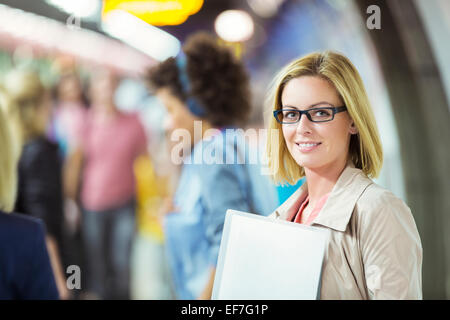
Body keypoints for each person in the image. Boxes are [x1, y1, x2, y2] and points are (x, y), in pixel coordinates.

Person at [266, 51, 423, 299]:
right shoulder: (279, 219)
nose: (302, 128)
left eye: (320, 113)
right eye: (291, 114)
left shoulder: (379, 211)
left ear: (353, 121)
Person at [146, 32, 278, 300]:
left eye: (170, 109)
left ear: (195, 103)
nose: (167, 123)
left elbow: (229, 246)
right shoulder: (226, 144)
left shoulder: (214, 155)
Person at [66, 69, 149, 299]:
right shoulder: (85, 122)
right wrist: (69, 201)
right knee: (97, 264)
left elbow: (146, 162)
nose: (106, 89)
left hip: (125, 201)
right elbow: (75, 164)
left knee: (122, 262)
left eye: (111, 83)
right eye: (101, 83)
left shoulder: (133, 121)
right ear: (92, 90)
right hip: (92, 203)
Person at [1, 69, 69, 299]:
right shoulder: (39, 151)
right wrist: (59, 278)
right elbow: (43, 216)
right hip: (30, 261)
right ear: (35, 107)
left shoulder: (16, 147)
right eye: (48, 101)